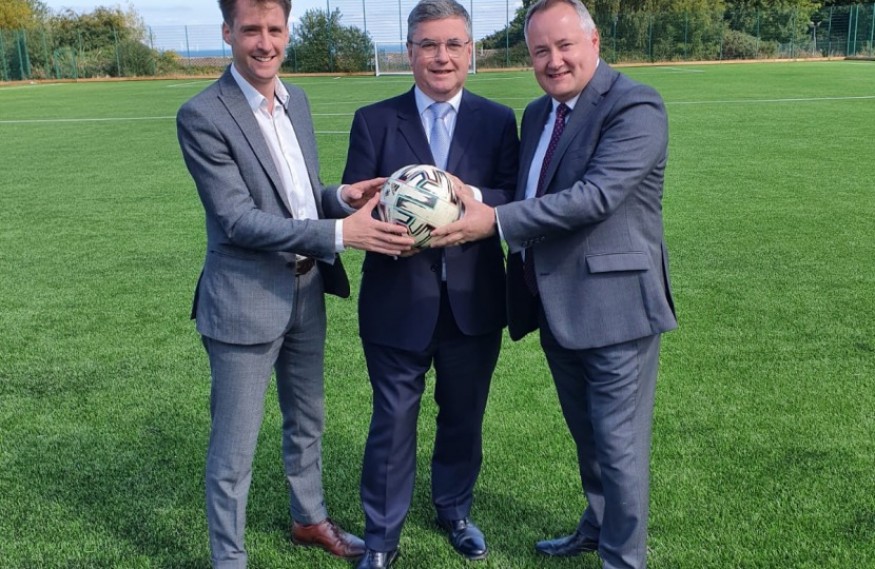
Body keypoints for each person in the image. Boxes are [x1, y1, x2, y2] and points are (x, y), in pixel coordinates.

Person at [430, 1, 677, 568]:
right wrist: (469, 197)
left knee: (618, 446)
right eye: (540, 50)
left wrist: (494, 220)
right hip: (556, 305)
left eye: (564, 45)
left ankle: (623, 558)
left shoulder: (634, 104)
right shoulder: (539, 113)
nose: (554, 60)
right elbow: (528, 193)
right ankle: (598, 523)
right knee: (589, 436)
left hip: (617, 309)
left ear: (594, 42)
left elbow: (595, 197)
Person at [175, 0, 414, 566]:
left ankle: (309, 520)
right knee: (234, 447)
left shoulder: (296, 100)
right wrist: (342, 232)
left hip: (307, 291)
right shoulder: (202, 114)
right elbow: (238, 220)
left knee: (308, 420)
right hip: (244, 302)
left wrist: (342, 196)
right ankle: (229, 558)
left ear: (287, 31)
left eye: (274, 29)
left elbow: (297, 196)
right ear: (228, 32)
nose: (265, 42)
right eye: (250, 30)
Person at [341, 1, 519, 567]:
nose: (441, 57)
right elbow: (356, 202)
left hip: (474, 300)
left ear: (471, 52)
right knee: (392, 421)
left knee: (463, 416)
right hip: (396, 299)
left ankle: (455, 510)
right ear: (410, 52)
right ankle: (381, 539)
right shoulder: (374, 120)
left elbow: (516, 197)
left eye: (453, 45)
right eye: (428, 45)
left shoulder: (497, 120)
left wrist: (475, 199)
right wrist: (381, 223)